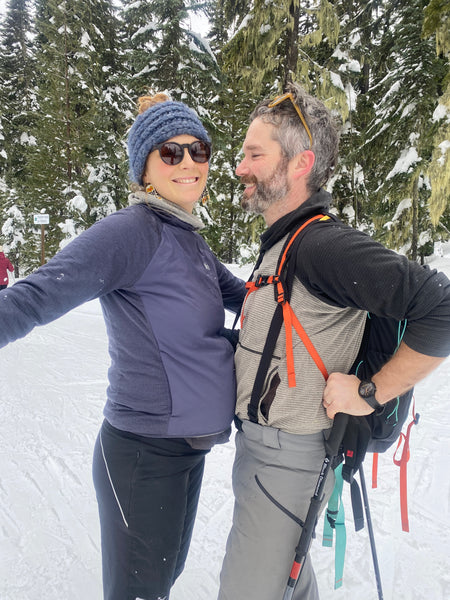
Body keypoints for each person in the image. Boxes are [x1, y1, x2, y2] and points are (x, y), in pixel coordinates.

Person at [0, 93, 246, 600]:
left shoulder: (188, 239)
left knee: (161, 580)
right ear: (145, 169)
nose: (188, 163)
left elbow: (246, 299)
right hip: (144, 454)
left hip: (185, 453)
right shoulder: (132, 232)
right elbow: (38, 294)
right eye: (170, 153)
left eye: (197, 150)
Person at [218, 82, 450, 600]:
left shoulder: (321, 245)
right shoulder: (286, 240)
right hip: (267, 455)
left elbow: (441, 305)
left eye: (255, 154)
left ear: (300, 165)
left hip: (288, 460)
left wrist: (370, 394)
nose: (241, 167)